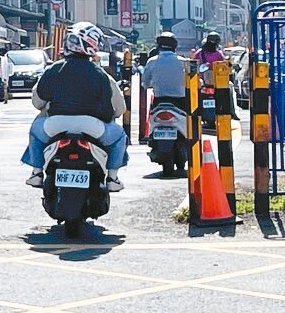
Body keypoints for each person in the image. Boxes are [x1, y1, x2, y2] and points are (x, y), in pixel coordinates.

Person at [22, 21, 127, 190]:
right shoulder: (101, 74)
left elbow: (37, 102)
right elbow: (120, 109)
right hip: (94, 127)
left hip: (55, 125)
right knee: (119, 136)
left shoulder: (53, 69)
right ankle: (112, 179)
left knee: (35, 129)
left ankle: (36, 173)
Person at [141, 30, 190, 109]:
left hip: (159, 100)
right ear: (175, 45)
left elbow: (145, 82)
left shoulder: (152, 61)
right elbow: (194, 80)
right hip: (180, 101)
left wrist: (148, 85)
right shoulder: (184, 62)